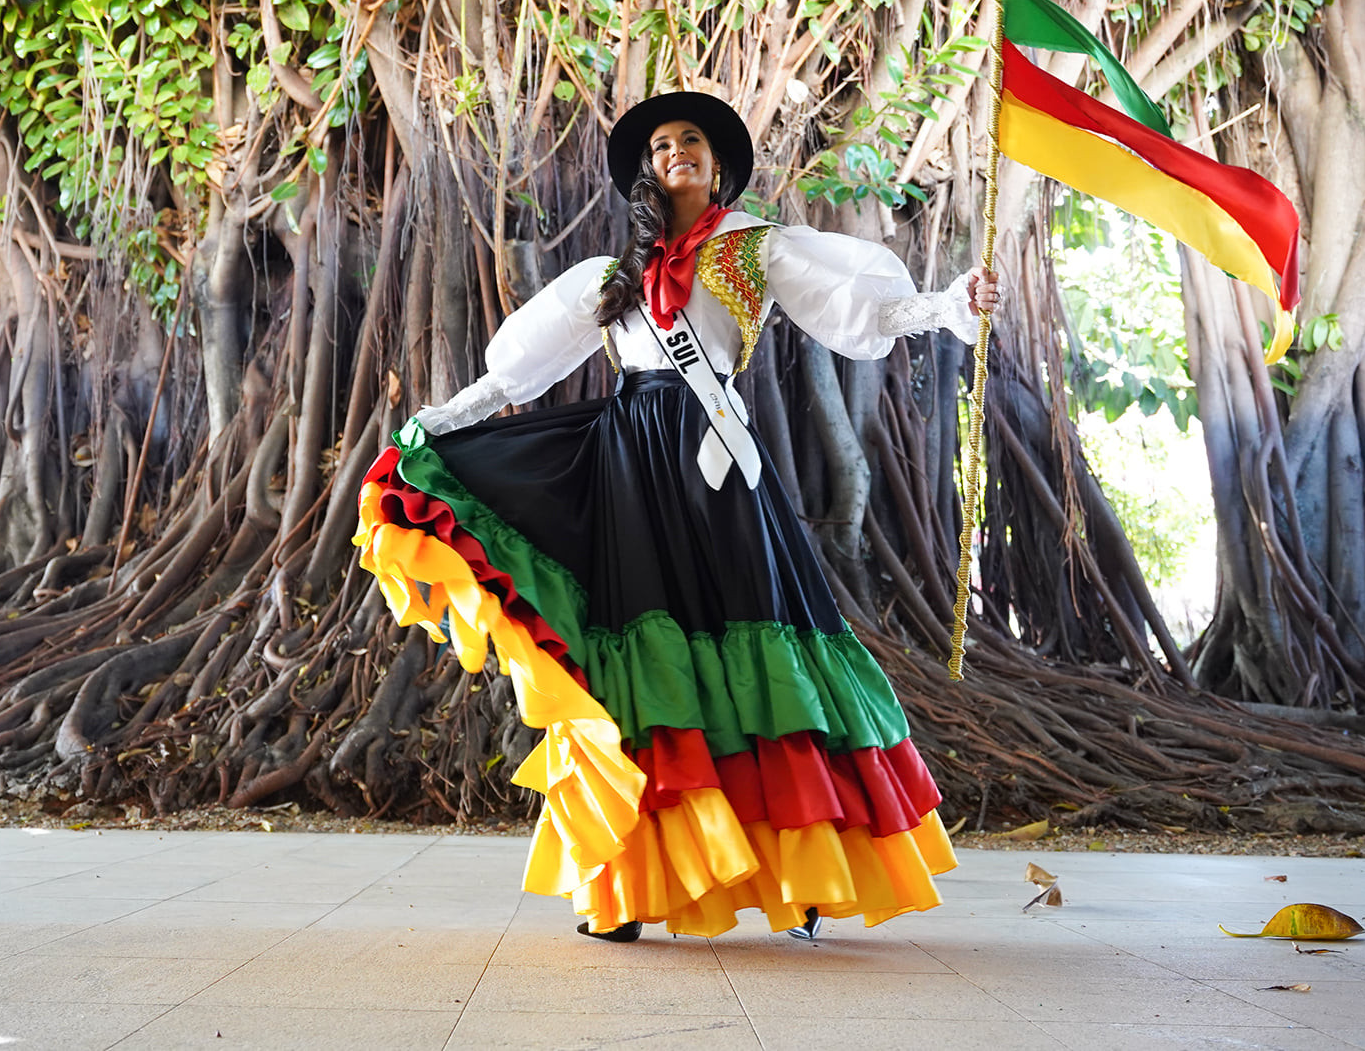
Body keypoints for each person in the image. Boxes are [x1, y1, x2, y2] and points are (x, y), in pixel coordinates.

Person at [353, 90, 1000, 943]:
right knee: (637, 659)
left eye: (691, 140)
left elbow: (863, 314)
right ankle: (623, 883)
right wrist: (438, 421)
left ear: (717, 162)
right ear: (648, 172)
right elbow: (521, 375)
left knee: (759, 634)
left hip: (721, 464)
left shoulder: (755, 247)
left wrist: (952, 302)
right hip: (631, 465)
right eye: (662, 145)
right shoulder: (616, 273)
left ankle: (802, 869)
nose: (676, 152)